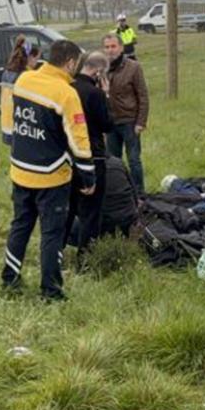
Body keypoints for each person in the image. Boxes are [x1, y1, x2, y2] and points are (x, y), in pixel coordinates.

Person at [2, 40, 95, 301]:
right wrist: (88, 176)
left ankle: (9, 279)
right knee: (52, 234)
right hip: (51, 176)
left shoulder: (23, 80)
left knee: (20, 225)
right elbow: (80, 140)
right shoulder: (66, 93)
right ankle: (51, 291)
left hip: (20, 169)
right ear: (70, 63)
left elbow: (13, 119)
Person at [65, 51, 113, 262]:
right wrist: (107, 95)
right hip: (93, 156)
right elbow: (107, 124)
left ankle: (57, 251)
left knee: (68, 209)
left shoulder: (68, 89)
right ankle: (85, 258)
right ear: (99, 72)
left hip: (68, 156)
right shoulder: (95, 94)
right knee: (91, 212)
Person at [102, 33, 149, 193]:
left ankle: (140, 193)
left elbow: (142, 95)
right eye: (107, 47)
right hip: (110, 124)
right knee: (113, 162)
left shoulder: (133, 67)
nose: (110, 50)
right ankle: (119, 192)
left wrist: (141, 122)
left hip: (129, 121)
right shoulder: (101, 69)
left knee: (134, 160)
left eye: (113, 46)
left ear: (121, 48)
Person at [0, 34, 42, 146]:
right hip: (22, 127)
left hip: (7, 124)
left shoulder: (7, 72)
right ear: (30, 57)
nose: (37, 63)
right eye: (37, 59)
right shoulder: (27, 76)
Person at [100, 156, 139, 237]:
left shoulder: (85, 170)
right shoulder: (118, 162)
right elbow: (135, 194)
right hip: (129, 220)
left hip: (105, 225)